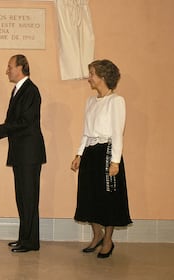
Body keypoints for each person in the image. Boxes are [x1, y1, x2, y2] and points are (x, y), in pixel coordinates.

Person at [0, 54, 46, 253]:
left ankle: (30, 242)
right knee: (23, 197)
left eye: (10, 66)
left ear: (20, 67)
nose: (7, 70)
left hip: (29, 153)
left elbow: (25, 122)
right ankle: (25, 239)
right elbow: (16, 121)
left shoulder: (30, 90)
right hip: (22, 153)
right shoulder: (19, 90)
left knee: (28, 197)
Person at [70, 59, 132, 258]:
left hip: (107, 152)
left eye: (92, 74)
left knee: (108, 199)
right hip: (90, 152)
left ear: (103, 77)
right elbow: (86, 132)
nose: (89, 78)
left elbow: (117, 133)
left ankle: (108, 241)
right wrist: (79, 154)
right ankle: (97, 235)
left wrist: (115, 161)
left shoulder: (116, 101)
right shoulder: (90, 101)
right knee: (89, 196)